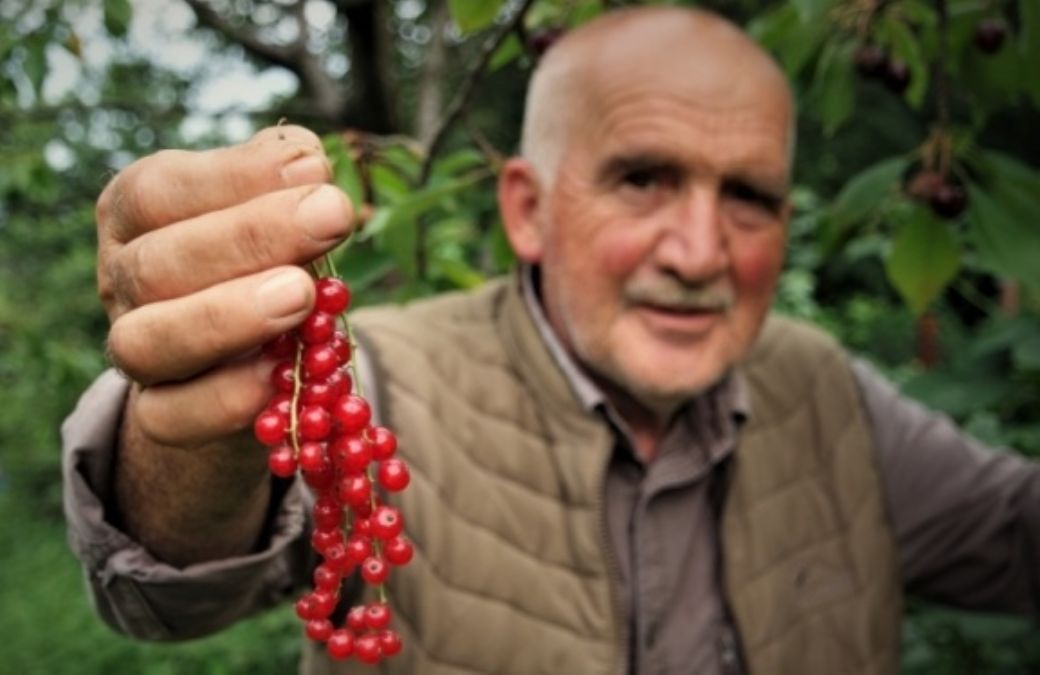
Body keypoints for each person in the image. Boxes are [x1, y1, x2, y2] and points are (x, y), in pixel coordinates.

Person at [61, 6, 1040, 674]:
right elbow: (176, 580)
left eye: (749, 196)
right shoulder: (383, 380)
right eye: (643, 179)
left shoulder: (829, 395)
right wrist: (196, 435)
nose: (700, 252)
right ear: (526, 209)